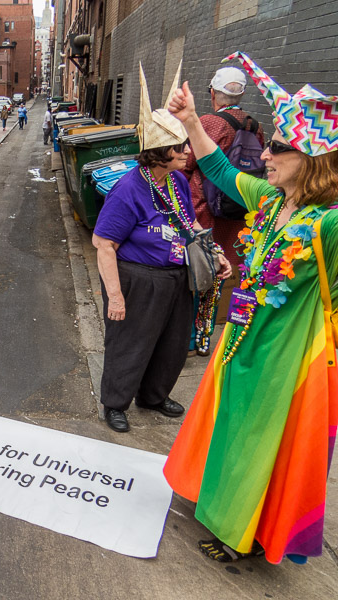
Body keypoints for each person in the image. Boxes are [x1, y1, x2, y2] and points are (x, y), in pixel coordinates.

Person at [164, 52, 338, 565]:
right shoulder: (269, 201)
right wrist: (193, 120)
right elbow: (216, 169)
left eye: (278, 148)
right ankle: (218, 506)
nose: (265, 154)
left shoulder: (328, 225)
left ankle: (244, 533)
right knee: (230, 426)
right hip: (241, 337)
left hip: (285, 354)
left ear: (312, 158)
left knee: (260, 441)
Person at [91, 63, 230, 433]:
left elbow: (191, 225)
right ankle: (115, 403)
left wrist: (215, 255)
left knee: (170, 345)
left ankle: (152, 395)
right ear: (159, 151)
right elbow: (103, 244)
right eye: (179, 146)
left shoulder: (178, 182)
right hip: (138, 278)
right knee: (130, 343)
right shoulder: (128, 190)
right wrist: (116, 297)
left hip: (176, 276)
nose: (187, 151)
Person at [183, 66, 265, 356]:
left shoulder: (208, 122)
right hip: (236, 212)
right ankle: (205, 337)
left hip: (204, 208)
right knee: (220, 272)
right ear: (241, 93)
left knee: (197, 272)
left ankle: (190, 339)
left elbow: (189, 161)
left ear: (212, 93)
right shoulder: (254, 126)